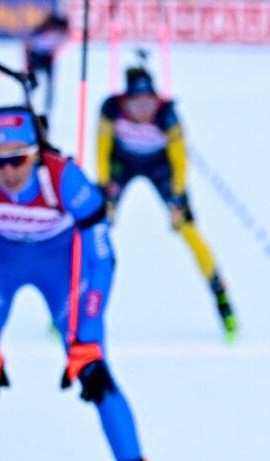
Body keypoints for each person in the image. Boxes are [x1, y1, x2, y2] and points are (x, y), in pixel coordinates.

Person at [0, 106, 165, 461]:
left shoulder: (65, 179)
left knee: (95, 373)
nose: (7, 173)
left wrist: (86, 337)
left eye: (17, 159)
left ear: (36, 155)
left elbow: (103, 259)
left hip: (61, 266)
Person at [97, 63, 238, 341]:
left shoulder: (167, 115)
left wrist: (177, 196)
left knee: (189, 230)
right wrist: (104, 188)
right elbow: (101, 149)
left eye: (148, 103)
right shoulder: (112, 109)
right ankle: (71, 302)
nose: (143, 111)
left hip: (160, 165)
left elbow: (179, 159)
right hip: (121, 163)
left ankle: (223, 302)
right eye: (136, 105)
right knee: (96, 228)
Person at [24, 13, 69, 118]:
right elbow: (27, 44)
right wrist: (27, 62)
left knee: (50, 85)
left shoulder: (62, 32)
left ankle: (48, 110)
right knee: (32, 84)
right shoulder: (39, 31)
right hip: (35, 56)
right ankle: (27, 106)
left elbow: (65, 43)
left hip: (48, 58)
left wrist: (55, 53)